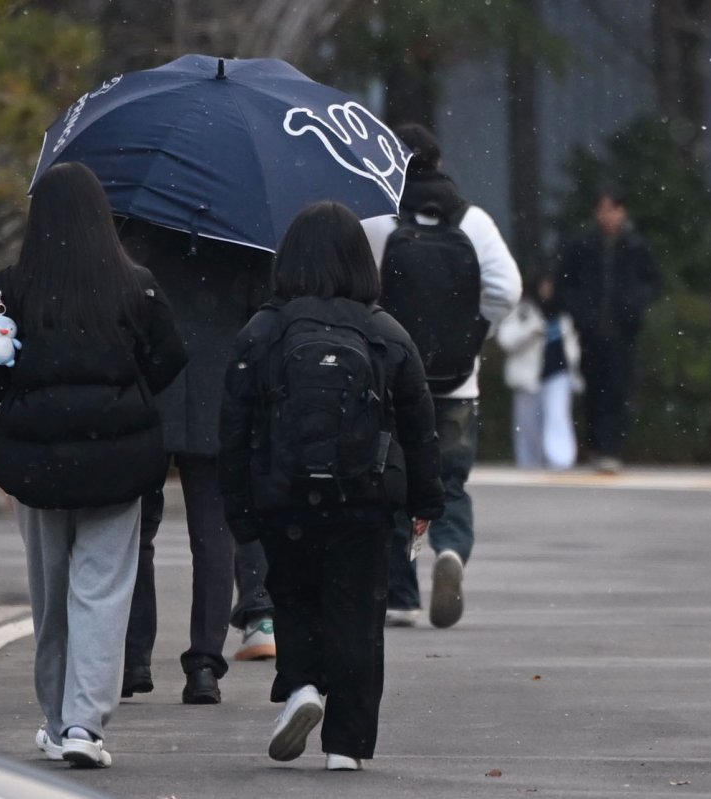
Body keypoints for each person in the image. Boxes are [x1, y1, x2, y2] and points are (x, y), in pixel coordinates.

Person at [0, 162, 187, 768]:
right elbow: (170, 359)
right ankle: (85, 725)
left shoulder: (13, 287)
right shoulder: (136, 285)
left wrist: (20, 383)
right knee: (103, 593)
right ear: (99, 217)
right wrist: (126, 393)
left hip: (35, 464)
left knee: (50, 592)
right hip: (119, 460)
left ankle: (57, 720)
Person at [219, 201, 443, 770]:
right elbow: (419, 426)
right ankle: (346, 745)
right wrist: (425, 501)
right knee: (358, 615)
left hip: (284, 493)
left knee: (294, 599)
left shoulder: (263, 330)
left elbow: (235, 430)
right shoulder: (385, 332)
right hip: (363, 499)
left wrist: (240, 509)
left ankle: (302, 689)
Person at [364, 122, 522, 629]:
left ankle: (400, 595)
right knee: (448, 482)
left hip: (390, 380)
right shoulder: (472, 221)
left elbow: (357, 290)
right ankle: (450, 548)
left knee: (392, 481)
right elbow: (507, 290)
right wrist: (472, 334)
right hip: (456, 384)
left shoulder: (376, 220)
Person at [115, 222, 277, 707]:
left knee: (136, 532)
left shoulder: (137, 229)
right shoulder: (244, 232)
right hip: (219, 396)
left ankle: (133, 659)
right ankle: (204, 666)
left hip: (149, 394)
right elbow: (261, 317)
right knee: (213, 538)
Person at [555, 182, 661, 473]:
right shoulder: (583, 244)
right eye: (603, 210)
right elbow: (565, 282)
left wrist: (634, 306)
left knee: (618, 389)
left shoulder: (636, 245)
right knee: (593, 390)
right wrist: (580, 312)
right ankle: (596, 446)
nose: (608, 216)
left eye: (614, 209)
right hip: (590, 331)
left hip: (623, 331)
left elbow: (653, 282)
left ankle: (612, 448)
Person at [497, 271, 583, 470]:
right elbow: (506, 340)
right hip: (527, 376)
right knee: (527, 424)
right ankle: (528, 463)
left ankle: (560, 461)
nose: (548, 290)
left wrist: (573, 364)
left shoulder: (563, 312)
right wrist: (530, 331)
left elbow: (571, 343)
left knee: (558, 416)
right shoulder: (523, 310)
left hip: (557, 373)